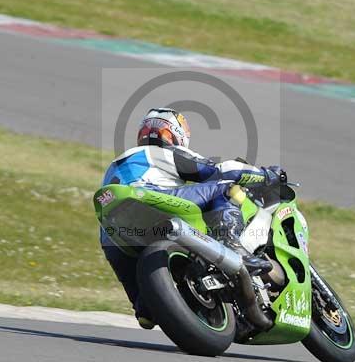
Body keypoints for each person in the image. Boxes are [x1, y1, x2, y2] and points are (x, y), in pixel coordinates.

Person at [100, 107, 285, 328]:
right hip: (151, 197)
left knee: (145, 309)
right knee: (225, 187)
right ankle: (233, 244)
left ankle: (145, 306)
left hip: (114, 229)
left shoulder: (116, 164)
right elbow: (220, 170)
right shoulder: (159, 153)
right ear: (172, 132)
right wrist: (267, 175)